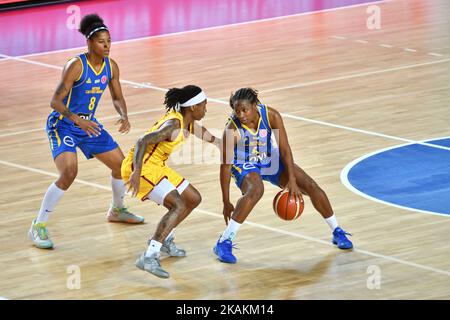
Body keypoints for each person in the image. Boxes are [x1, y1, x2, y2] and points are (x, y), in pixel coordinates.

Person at [28, 14, 144, 250]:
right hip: (63, 124)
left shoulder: (111, 67)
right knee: (69, 172)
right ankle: (38, 225)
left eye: (109, 41)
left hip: (88, 125)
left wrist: (124, 114)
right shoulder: (76, 66)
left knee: (121, 167)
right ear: (90, 43)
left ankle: (117, 210)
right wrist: (77, 121)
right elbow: (55, 102)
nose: (107, 46)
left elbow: (117, 96)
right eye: (102, 41)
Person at [214, 87, 353, 264]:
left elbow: (285, 149)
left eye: (244, 110)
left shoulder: (271, 116)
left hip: (269, 158)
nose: (240, 114)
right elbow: (225, 168)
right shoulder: (231, 131)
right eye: (237, 110)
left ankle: (337, 231)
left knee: (310, 186)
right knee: (256, 191)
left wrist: (292, 181)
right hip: (243, 163)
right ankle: (224, 242)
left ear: (255, 105)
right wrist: (226, 202)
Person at [123, 85, 220, 278]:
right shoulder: (174, 125)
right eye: (203, 105)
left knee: (193, 198)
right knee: (178, 205)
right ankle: (149, 256)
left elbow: (199, 130)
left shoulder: (187, 121)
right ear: (193, 107)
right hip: (140, 167)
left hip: (156, 165)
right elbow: (143, 140)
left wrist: (218, 142)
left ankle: (164, 238)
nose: (206, 109)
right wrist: (137, 172)